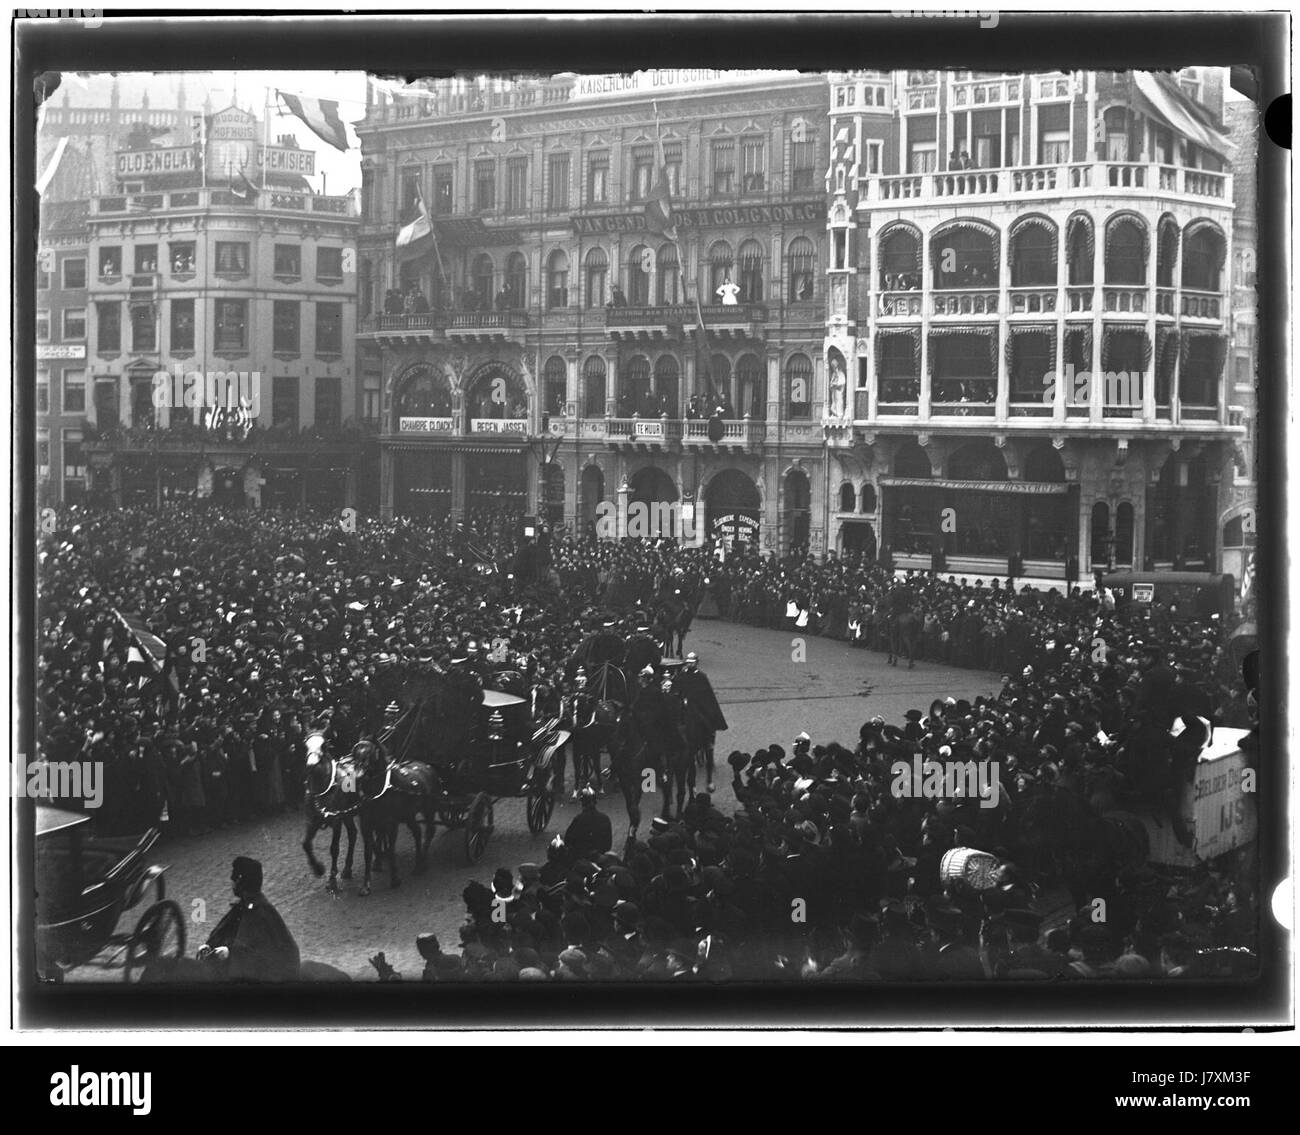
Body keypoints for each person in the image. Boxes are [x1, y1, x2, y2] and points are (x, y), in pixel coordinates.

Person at [197, 857, 301, 982]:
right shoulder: (245, 905)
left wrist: (229, 951)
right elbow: (224, 929)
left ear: (241, 882)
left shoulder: (259, 911)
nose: (232, 885)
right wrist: (210, 944)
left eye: (235, 881)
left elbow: (255, 947)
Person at [563, 787, 613, 859]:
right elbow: (608, 845)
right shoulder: (605, 818)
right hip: (600, 857)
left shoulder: (578, 819)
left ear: (582, 803)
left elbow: (568, 840)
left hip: (582, 857)